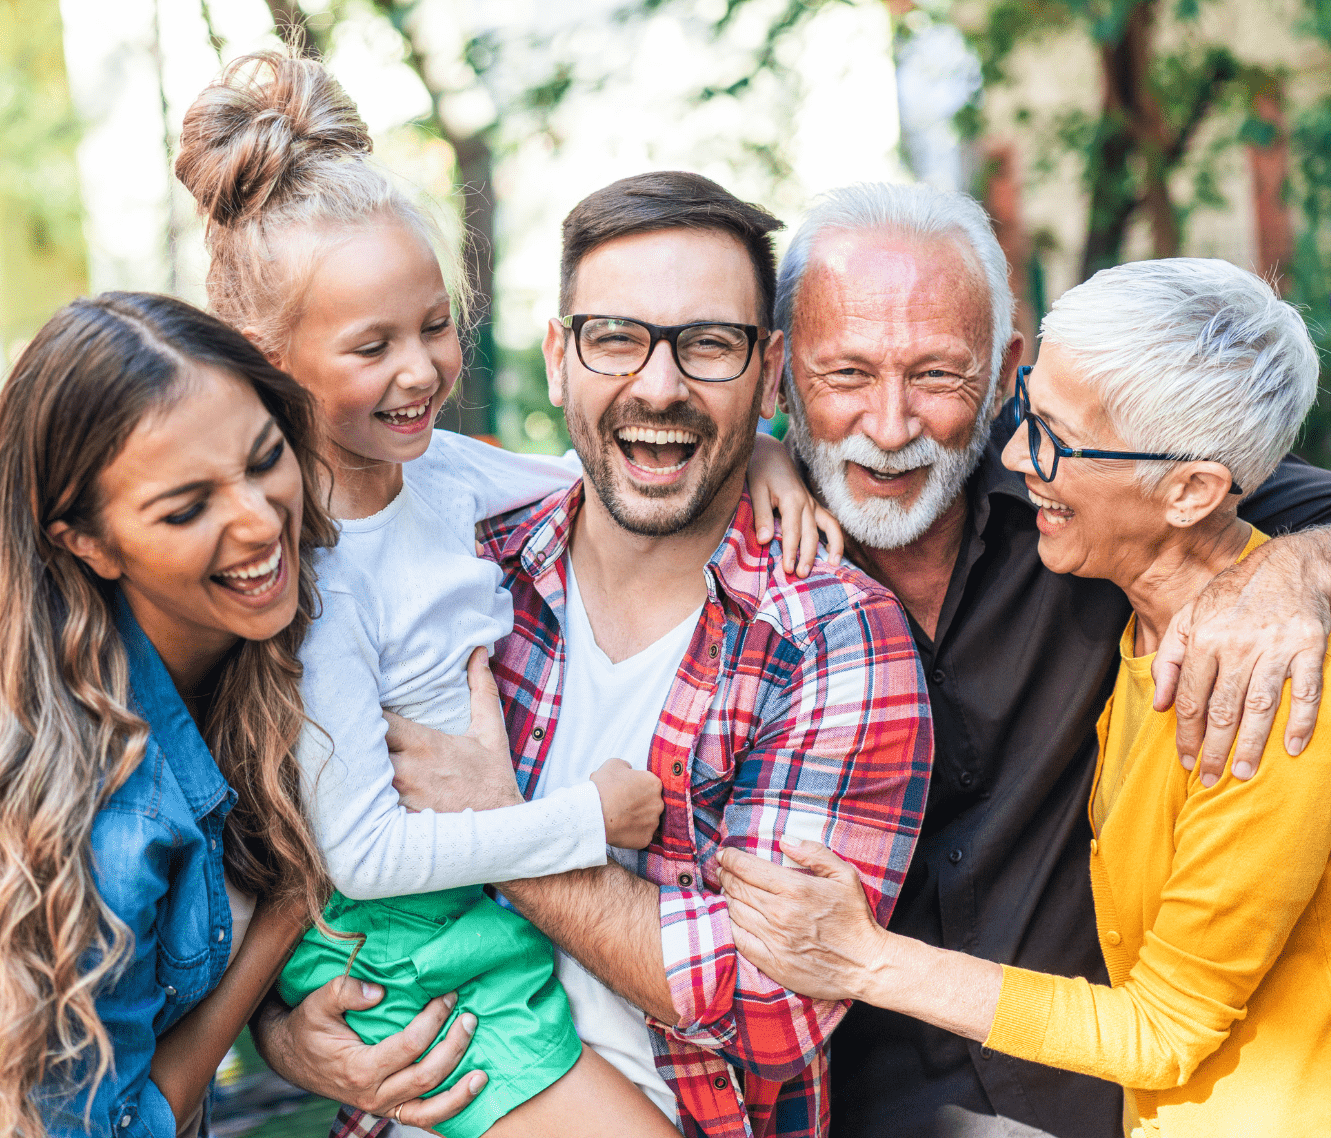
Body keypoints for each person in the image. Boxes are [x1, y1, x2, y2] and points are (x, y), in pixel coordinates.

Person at [176, 60, 842, 1137]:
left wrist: (762, 452)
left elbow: (615, 467)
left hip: (471, 924)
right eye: (370, 346)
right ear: (270, 363)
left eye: (433, 326)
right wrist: (586, 820)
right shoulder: (319, 579)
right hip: (403, 936)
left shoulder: (439, 473)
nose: (420, 369)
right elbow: (361, 854)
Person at [763, 182, 1331, 1137]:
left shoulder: (1253, 651)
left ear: (999, 375)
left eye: (937, 377)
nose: (888, 422)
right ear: (780, 372)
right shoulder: (1129, 608)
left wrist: (1307, 566)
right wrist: (755, 453)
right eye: (843, 376)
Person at [0, 293, 339, 1138]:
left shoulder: (255, 638)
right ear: (85, 540)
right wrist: (284, 920)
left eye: (266, 458)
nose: (260, 519)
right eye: (187, 508)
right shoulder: (96, 814)